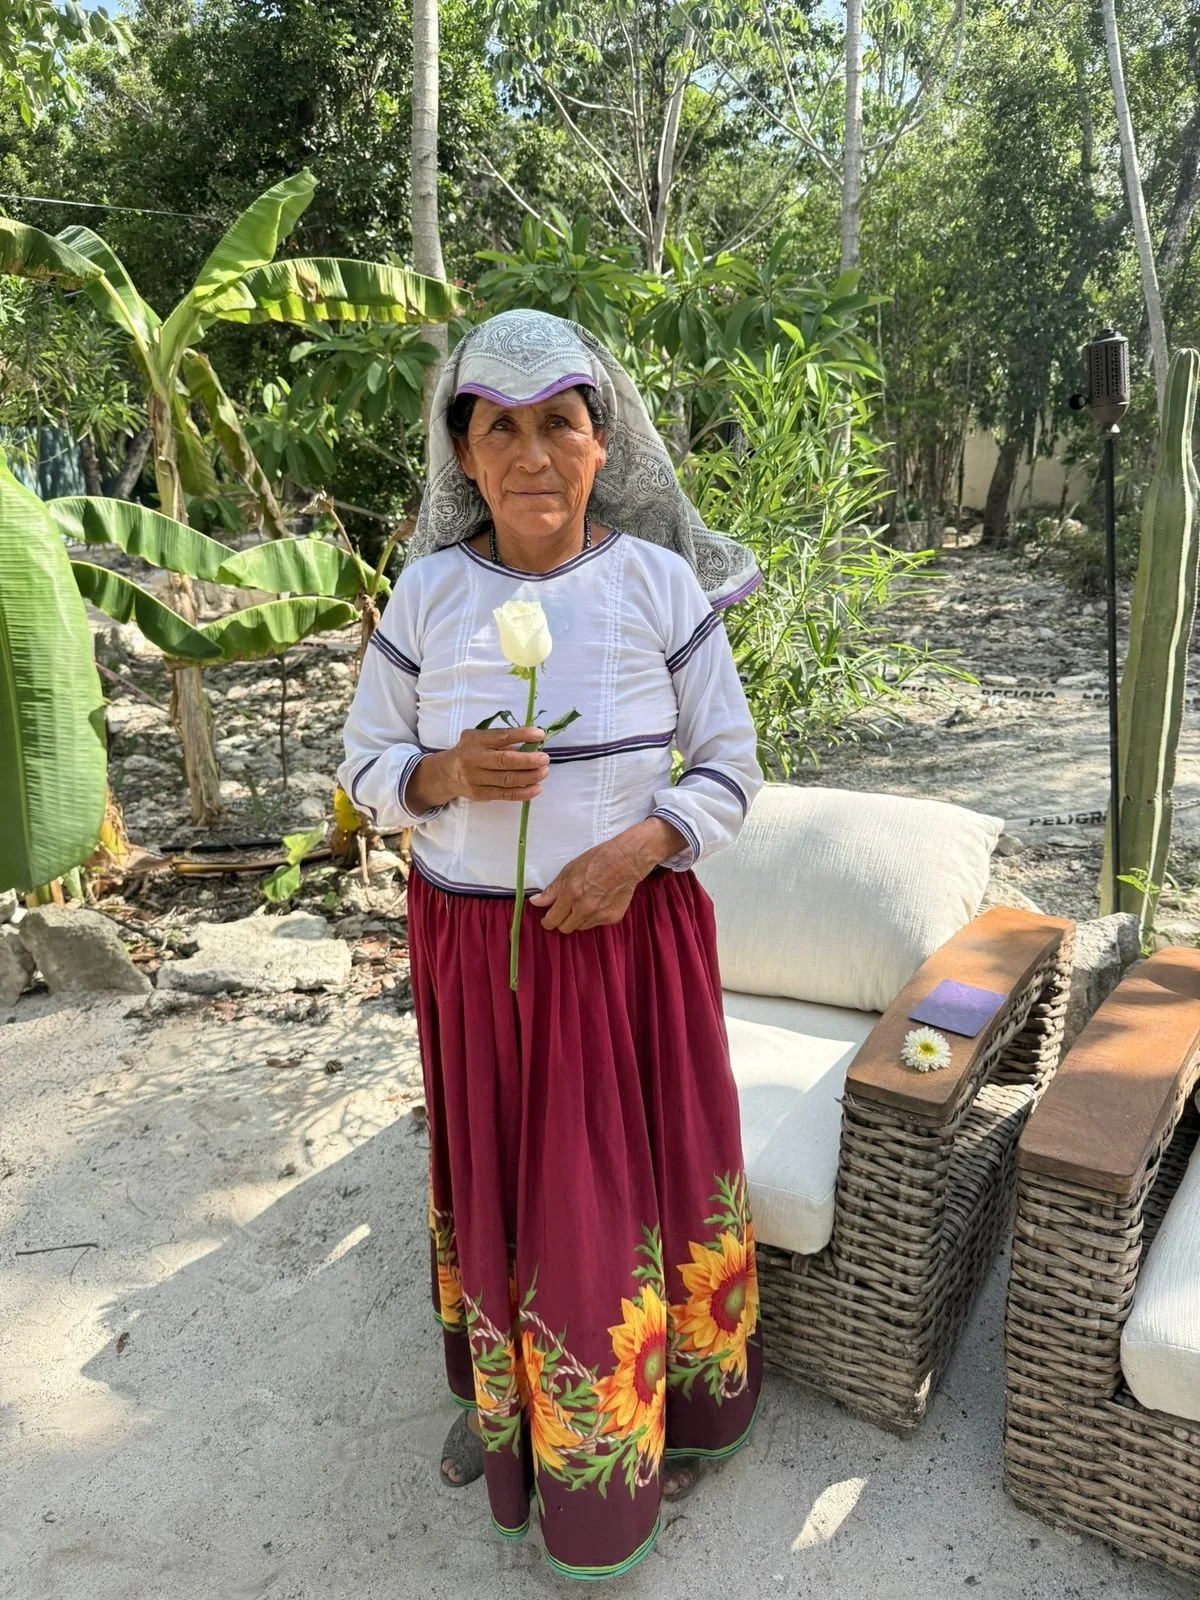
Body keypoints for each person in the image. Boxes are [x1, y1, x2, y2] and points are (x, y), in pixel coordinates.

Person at [339, 309, 764, 1581]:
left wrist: (636, 850)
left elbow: (733, 772)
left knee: (617, 1193)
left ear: (603, 442)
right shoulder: (428, 594)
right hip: (480, 959)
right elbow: (364, 771)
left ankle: (662, 1416)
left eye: (559, 424)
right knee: (514, 1186)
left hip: (627, 945)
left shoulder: (655, 584)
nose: (532, 454)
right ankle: (516, 1414)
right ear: (462, 455)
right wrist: (441, 773)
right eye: (500, 428)